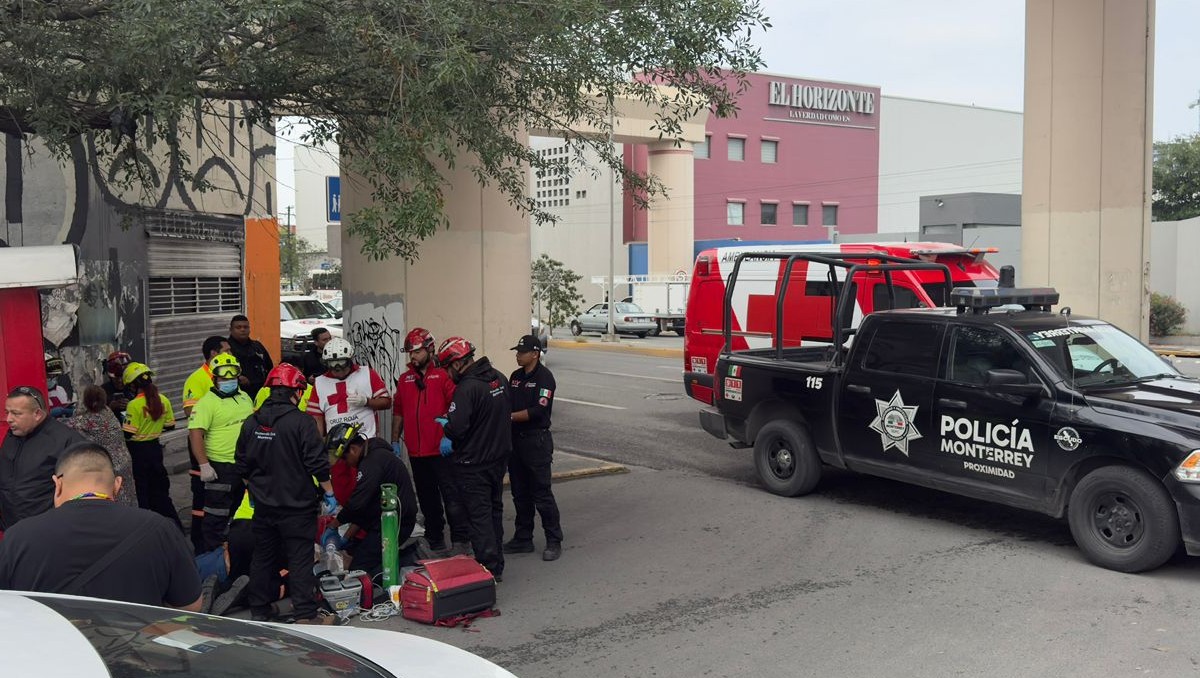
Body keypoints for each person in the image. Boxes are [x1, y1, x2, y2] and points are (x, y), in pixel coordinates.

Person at [0, 442, 202, 610]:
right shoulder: (159, 529)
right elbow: (190, 605)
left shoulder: (17, 537)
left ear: (57, 484)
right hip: (132, 645)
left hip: (52, 646)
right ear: (117, 485)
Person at [235, 363, 339, 625]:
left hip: (264, 506)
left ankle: (259, 608)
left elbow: (242, 464)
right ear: (296, 391)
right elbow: (317, 464)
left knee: (263, 556)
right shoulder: (302, 423)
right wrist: (329, 492)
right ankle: (305, 614)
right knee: (300, 558)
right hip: (297, 506)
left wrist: (255, 489)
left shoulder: (251, 422)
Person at [437, 337, 512, 580]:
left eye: (447, 368)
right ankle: (497, 562)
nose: (447, 374)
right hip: (498, 459)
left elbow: (457, 428)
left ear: (457, 364)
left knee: (479, 518)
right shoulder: (499, 378)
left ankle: (488, 569)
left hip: (474, 464)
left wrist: (447, 426)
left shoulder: (467, 388)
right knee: (494, 511)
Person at [391, 327, 468, 554]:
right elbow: (398, 411)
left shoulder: (444, 376)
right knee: (427, 499)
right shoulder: (405, 380)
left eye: (417, 352)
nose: (413, 356)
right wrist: (395, 440)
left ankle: (461, 539)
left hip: (442, 451)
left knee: (452, 497)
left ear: (429, 349)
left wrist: (450, 436)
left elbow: (456, 408)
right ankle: (435, 538)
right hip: (417, 453)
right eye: (410, 353)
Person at [324, 422, 418, 577]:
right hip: (383, 519)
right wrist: (346, 538)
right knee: (358, 554)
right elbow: (365, 508)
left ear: (353, 449)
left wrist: (334, 525)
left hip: (396, 522)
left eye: (345, 458)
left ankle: (409, 560)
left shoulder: (372, 462)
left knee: (359, 569)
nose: (346, 463)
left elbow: (357, 503)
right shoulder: (373, 457)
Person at [503, 334, 564, 561]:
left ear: (535, 354)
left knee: (542, 493)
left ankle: (554, 540)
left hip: (536, 441)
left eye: (522, 352)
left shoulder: (545, 378)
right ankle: (523, 538)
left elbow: (539, 410)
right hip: (516, 442)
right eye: (517, 352)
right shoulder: (515, 377)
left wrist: (508, 417)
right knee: (520, 493)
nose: (518, 356)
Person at [189, 353, 255, 552]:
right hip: (220, 468)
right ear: (214, 378)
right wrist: (203, 465)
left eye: (232, 376)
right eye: (223, 377)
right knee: (216, 517)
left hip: (245, 466)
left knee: (240, 512)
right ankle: (213, 557)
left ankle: (234, 552)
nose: (229, 380)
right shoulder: (206, 403)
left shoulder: (244, 397)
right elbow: (195, 434)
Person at [0, 386, 86, 530]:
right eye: (7, 412)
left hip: (47, 530)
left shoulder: (66, 441)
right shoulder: (13, 435)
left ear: (37, 414)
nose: (9, 419)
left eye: (16, 413)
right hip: (12, 528)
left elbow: (82, 491)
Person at [181, 335, 232, 551]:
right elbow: (190, 412)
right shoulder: (198, 378)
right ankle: (200, 546)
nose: (231, 355)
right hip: (203, 447)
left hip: (223, 451)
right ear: (213, 353)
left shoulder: (227, 375)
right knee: (202, 498)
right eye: (227, 351)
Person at [121, 362, 183, 531]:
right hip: (156, 450)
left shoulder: (134, 405)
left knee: (142, 494)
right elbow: (170, 425)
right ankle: (175, 529)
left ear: (133, 385)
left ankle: (146, 531)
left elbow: (128, 433)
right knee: (161, 493)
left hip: (138, 453)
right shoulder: (163, 400)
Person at [65, 385, 138, 508]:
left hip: (109, 465)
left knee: (113, 499)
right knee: (128, 494)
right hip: (124, 461)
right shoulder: (108, 412)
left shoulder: (86, 420)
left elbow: (66, 424)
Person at [308, 337, 391, 439]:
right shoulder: (320, 383)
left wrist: (367, 402)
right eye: (332, 363)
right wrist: (318, 444)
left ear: (349, 360)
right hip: (336, 443)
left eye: (341, 362)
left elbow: (386, 402)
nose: (337, 368)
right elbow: (316, 418)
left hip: (366, 439)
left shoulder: (367, 374)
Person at [227, 314, 275, 397]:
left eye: (245, 327)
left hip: (260, 393)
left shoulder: (257, 347)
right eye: (238, 327)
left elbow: (270, 367)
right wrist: (238, 378)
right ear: (231, 330)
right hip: (237, 395)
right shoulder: (226, 348)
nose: (242, 330)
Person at [101, 351, 134, 420]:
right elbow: (96, 416)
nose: (119, 381)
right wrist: (110, 407)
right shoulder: (103, 391)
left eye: (122, 377)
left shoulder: (134, 388)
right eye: (116, 378)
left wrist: (132, 406)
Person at [45, 353, 74, 418]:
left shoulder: (60, 389)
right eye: (49, 375)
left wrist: (68, 410)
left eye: (55, 375)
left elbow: (66, 405)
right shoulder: (36, 394)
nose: (53, 378)